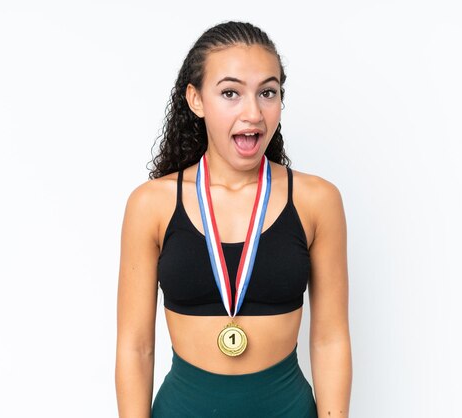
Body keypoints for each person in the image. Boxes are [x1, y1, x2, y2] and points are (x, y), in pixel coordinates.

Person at [115, 21, 352, 418]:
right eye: (230, 93)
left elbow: (330, 340)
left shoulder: (317, 201)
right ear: (196, 100)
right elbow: (135, 347)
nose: (253, 112)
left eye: (268, 92)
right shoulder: (151, 204)